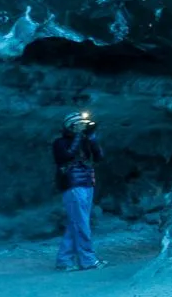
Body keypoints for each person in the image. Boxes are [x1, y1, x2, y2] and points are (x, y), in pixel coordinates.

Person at [52, 112, 106, 272]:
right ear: (71, 126)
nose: (83, 127)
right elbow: (66, 156)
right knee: (81, 223)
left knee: (75, 222)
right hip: (72, 184)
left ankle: (64, 260)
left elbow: (99, 157)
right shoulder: (59, 142)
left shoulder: (85, 140)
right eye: (79, 124)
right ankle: (88, 260)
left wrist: (92, 138)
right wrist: (77, 137)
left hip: (87, 182)